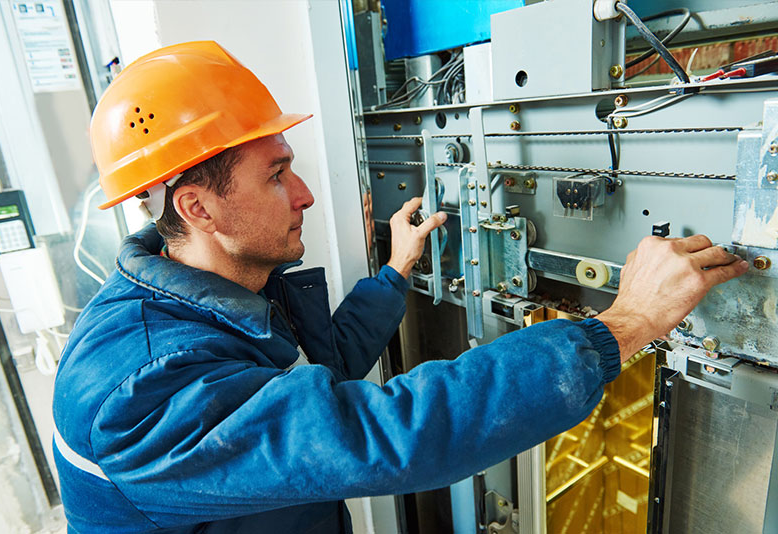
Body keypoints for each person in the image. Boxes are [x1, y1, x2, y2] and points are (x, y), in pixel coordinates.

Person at [52, 41, 749, 534]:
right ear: (198, 209)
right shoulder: (142, 388)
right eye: (275, 174)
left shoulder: (215, 298)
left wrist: (394, 272)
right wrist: (626, 322)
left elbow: (315, 384)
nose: (304, 195)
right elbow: (383, 436)